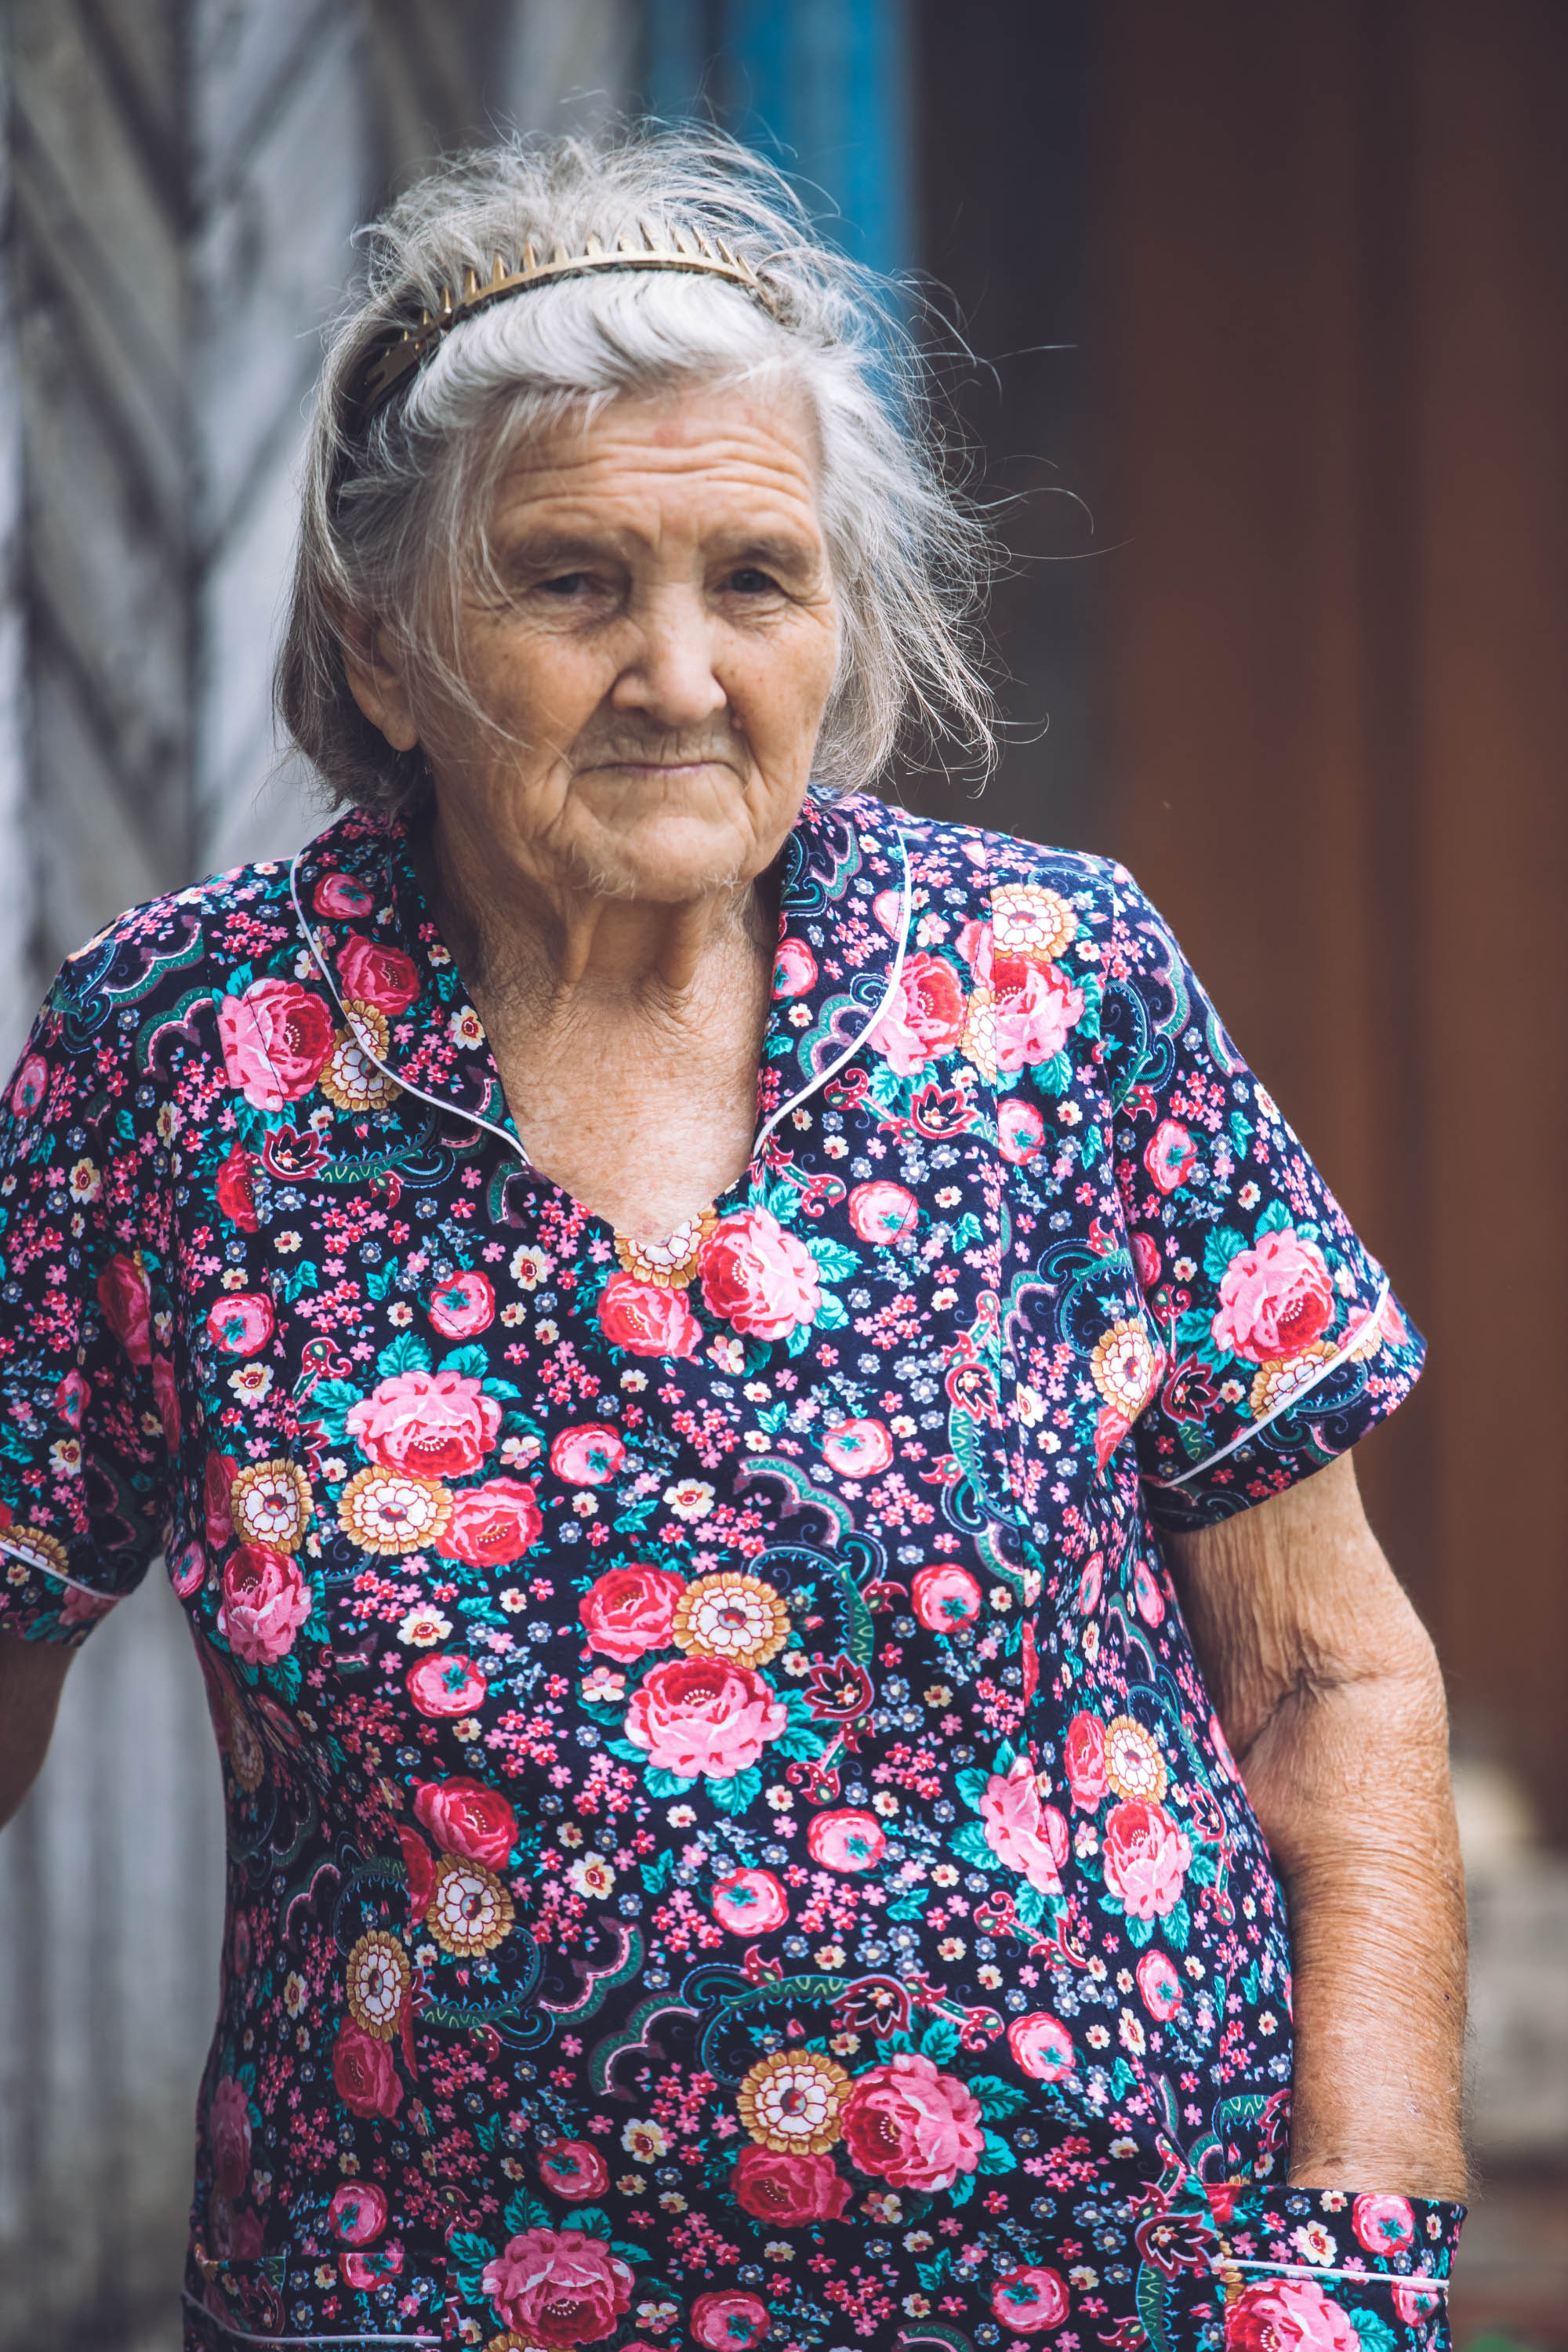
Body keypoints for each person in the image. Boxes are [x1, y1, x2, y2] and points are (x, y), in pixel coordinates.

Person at [0, 129, 1465, 2352]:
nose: (677, 673)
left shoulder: (1053, 989)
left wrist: (1361, 2237)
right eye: (574, 582)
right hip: (418, 2301)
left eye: (755, 582)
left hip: (1103, 2296)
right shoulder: (186, 1066)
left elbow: (1328, 1671)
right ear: (387, 650)